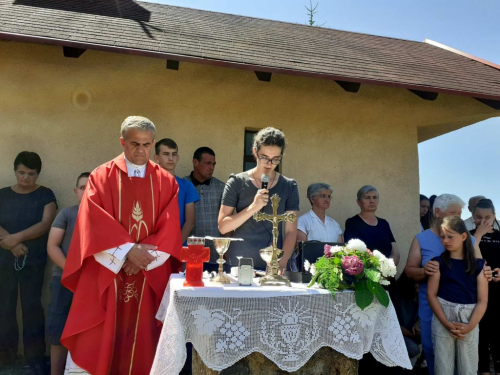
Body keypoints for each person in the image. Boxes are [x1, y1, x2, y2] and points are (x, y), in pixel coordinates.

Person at [61, 116, 182, 375]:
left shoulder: (166, 181)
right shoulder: (101, 177)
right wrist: (128, 252)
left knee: (144, 346)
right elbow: (92, 223)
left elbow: (170, 228)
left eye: (147, 145)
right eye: (134, 144)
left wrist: (139, 259)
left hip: (147, 275)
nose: (141, 151)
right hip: (108, 272)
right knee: (99, 341)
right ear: (122, 142)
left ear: (153, 145)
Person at [404, 193, 491, 375]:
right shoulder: (421, 239)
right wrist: (425, 271)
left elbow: (480, 267)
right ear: (437, 212)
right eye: (454, 213)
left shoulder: (469, 239)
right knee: (437, 357)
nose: (458, 218)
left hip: (467, 311)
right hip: (433, 308)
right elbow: (410, 271)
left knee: (466, 362)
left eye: (459, 214)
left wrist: (489, 273)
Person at [0, 151, 57, 374]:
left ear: (37, 174)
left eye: (30, 174)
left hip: (33, 261)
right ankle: (6, 356)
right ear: (15, 171)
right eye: (21, 172)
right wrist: (12, 243)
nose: (25, 178)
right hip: (4, 260)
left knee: (32, 307)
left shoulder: (45, 195)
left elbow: (45, 224)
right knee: (4, 307)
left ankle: (35, 357)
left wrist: (18, 238)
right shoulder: (2, 194)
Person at [218, 127, 299, 271]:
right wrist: (253, 207)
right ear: (255, 152)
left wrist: (282, 262)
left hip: (273, 264)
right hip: (240, 262)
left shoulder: (289, 186)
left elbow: (291, 231)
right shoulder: (237, 182)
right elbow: (223, 226)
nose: (269, 164)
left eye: (276, 159)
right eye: (264, 157)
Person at [427, 216, 487, 375]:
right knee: (442, 367)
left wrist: (470, 326)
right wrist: (446, 322)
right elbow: (431, 295)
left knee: (468, 368)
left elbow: (482, 301)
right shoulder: (438, 263)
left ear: (463, 236)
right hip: (442, 319)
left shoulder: (479, 266)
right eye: (442, 236)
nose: (445, 240)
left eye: (450, 236)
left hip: (470, 320)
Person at [46, 172, 89, 375]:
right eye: (82, 187)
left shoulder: (108, 217)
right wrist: (72, 271)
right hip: (63, 279)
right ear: (75, 192)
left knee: (89, 330)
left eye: (91, 187)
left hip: (92, 283)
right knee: (58, 329)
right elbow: (53, 246)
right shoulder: (66, 213)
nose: (87, 191)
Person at [469, 199, 500, 375]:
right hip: (476, 294)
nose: (483, 221)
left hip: (497, 293)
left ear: (494, 216)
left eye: (487, 217)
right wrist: (478, 235)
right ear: (473, 217)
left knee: (497, 334)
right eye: (479, 217)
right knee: (480, 335)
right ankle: (483, 371)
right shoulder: (469, 236)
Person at [184, 147, 226, 268]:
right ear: (195, 162)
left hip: (216, 255)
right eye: (208, 163)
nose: (211, 167)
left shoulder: (221, 187)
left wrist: (226, 251)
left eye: (213, 164)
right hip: (189, 253)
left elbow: (227, 220)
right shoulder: (183, 185)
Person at [154, 138, 200, 245]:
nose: (171, 158)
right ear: (156, 158)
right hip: (152, 246)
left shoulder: (186, 185)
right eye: (166, 154)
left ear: (177, 157)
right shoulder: (148, 184)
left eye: (174, 154)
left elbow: (190, 221)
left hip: (177, 246)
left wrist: (176, 244)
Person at [344, 185, 400, 264]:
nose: (372, 201)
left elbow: (395, 253)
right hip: (366, 274)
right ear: (359, 202)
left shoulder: (384, 224)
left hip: (388, 274)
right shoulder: (352, 223)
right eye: (367, 198)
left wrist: (388, 269)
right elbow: (352, 252)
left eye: (375, 197)